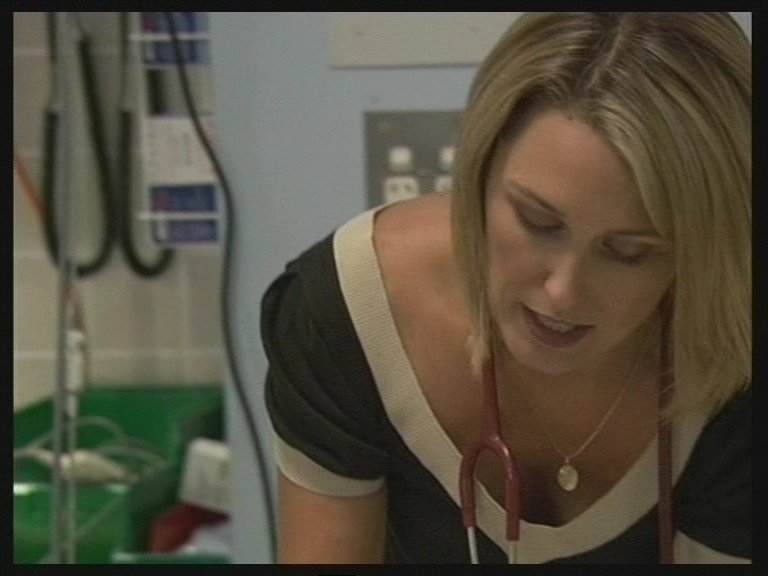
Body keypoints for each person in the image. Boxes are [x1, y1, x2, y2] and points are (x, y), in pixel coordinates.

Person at [261, 12, 751, 564]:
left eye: (629, 252)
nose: (563, 292)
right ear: (478, 172)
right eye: (537, 222)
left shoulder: (737, 352)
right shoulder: (350, 312)